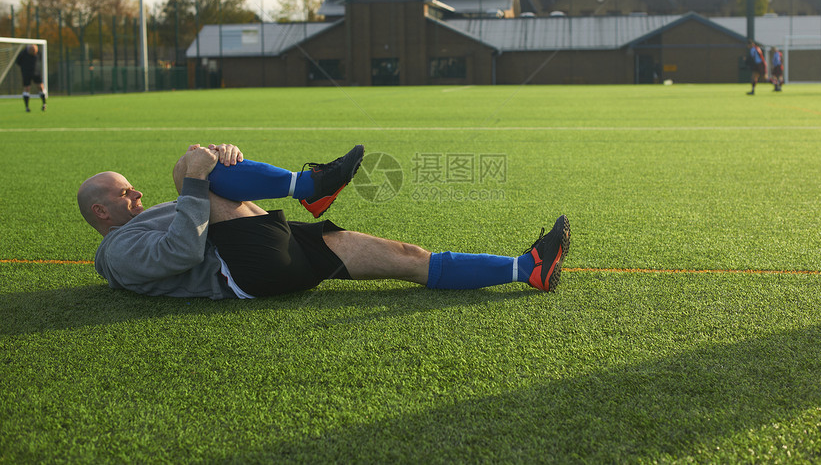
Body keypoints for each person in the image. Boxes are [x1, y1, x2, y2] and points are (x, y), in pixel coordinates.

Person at [77, 143, 570, 299]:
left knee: (408, 258)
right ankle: (309, 188)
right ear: (102, 212)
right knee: (188, 165)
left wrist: (221, 166)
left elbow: (197, 210)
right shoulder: (116, 252)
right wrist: (197, 179)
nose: (136, 193)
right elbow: (182, 250)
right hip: (241, 272)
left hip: (275, 249)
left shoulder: (144, 219)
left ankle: (526, 269)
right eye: (124, 193)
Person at [15, 44, 47, 112]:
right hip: (26, 73)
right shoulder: (22, 53)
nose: (34, 53)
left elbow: (40, 59)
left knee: (40, 87)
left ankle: (44, 104)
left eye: (35, 51)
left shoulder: (38, 53)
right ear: (29, 50)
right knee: (27, 88)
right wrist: (25, 67)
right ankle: (27, 107)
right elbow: (18, 62)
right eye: (33, 51)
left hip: (36, 72)